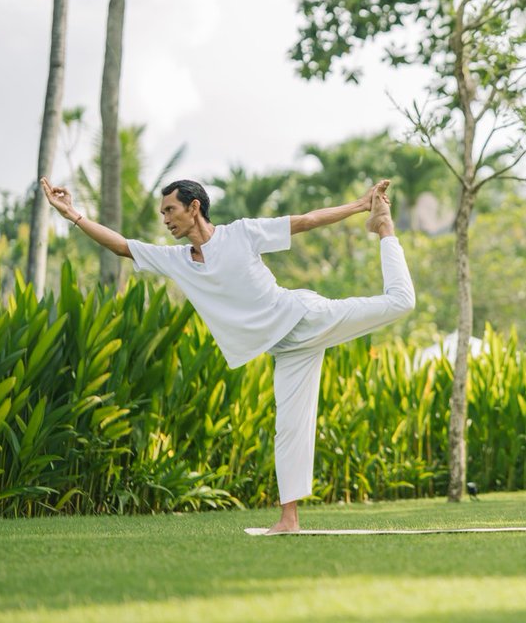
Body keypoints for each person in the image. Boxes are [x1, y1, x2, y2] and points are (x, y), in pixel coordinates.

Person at [40, 175, 415, 534]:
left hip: (304, 319)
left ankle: (383, 229)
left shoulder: (241, 234)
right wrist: (73, 214)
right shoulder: (177, 260)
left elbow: (305, 221)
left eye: (170, 210)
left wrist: (361, 205)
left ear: (194, 207)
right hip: (284, 350)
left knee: (401, 302)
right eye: (162, 213)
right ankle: (289, 519)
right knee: (289, 428)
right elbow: (122, 246)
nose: (165, 219)